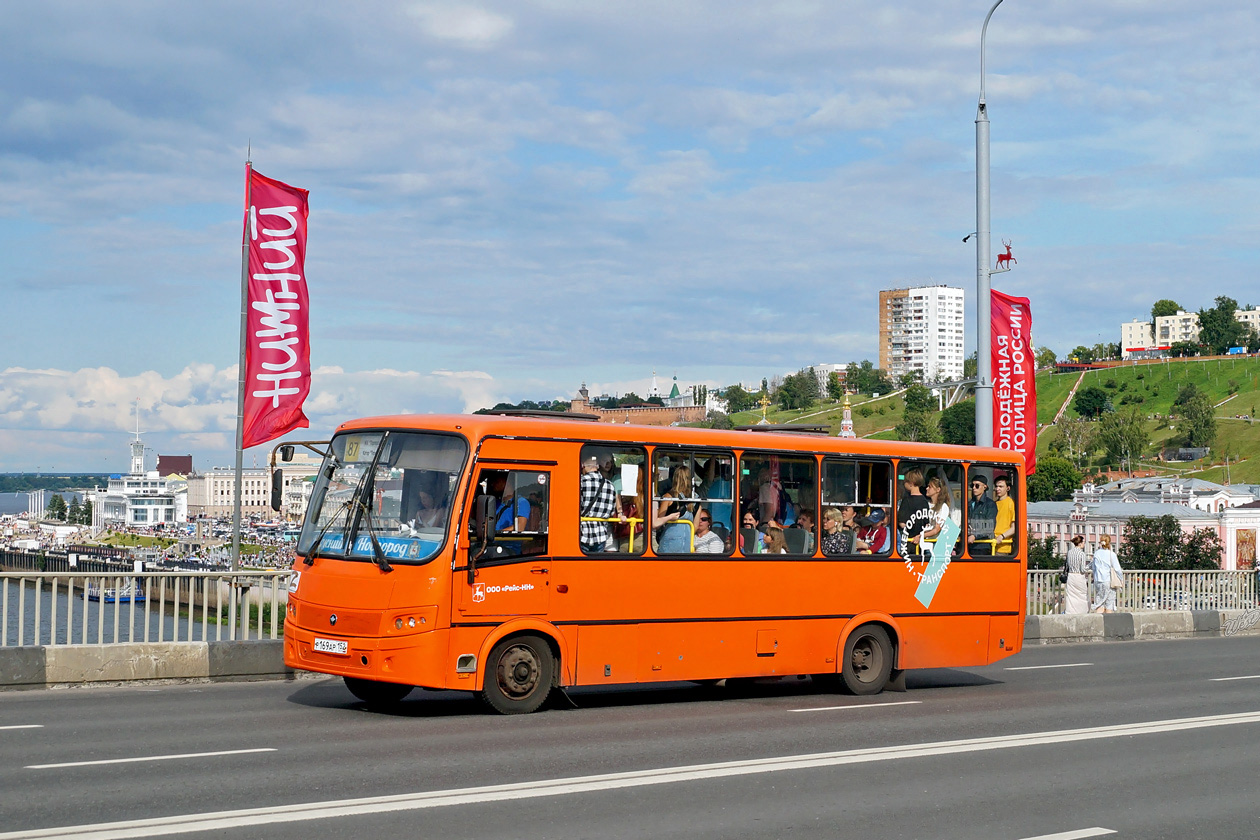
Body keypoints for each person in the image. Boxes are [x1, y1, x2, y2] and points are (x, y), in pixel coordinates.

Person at [579, 453, 622, 553]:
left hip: (582, 534)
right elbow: (611, 511)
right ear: (597, 466)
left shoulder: (580, 482)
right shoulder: (610, 485)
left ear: (583, 465)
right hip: (601, 536)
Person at [656, 465, 697, 553]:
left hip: (670, 540)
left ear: (675, 478)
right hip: (687, 541)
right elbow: (695, 526)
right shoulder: (696, 499)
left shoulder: (668, 497)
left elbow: (658, 522)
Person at [920, 476, 958, 555]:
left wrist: (921, 535)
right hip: (926, 541)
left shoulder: (943, 507)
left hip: (937, 544)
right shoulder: (926, 504)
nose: (926, 488)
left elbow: (937, 529)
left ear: (938, 490)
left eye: (930, 487)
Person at [897, 468, 931, 556]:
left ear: (911, 483)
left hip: (907, 542)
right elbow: (927, 524)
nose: (904, 484)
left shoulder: (906, 501)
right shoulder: (925, 501)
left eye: (905, 482)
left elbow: (902, 523)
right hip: (920, 543)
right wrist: (919, 535)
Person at [1091, 535, 1123, 613]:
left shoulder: (1096, 553)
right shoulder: (1111, 554)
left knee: (1100, 603)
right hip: (1108, 581)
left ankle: (1098, 622)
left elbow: (1093, 568)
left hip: (1098, 581)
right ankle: (1109, 623)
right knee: (1109, 604)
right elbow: (1117, 569)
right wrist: (1121, 579)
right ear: (1109, 543)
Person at [966, 475, 998, 555]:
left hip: (982, 547)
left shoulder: (990, 504)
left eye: (977, 485)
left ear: (985, 487)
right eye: (972, 485)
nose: (974, 488)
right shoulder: (969, 504)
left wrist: (975, 536)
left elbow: (990, 527)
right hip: (968, 546)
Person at [1064, 535, 1090, 614]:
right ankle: (1082, 612)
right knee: (1082, 596)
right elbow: (1083, 569)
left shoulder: (1069, 552)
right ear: (1080, 543)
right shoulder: (1082, 554)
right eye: (1083, 542)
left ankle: (1070, 612)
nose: (1084, 544)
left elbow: (1067, 566)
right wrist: (1089, 566)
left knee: (1071, 597)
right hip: (1079, 576)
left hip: (1071, 576)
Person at [993, 474, 1016, 554]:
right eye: (996, 486)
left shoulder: (1011, 503)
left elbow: (1014, 527)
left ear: (1008, 488)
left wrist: (1002, 536)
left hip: (1003, 547)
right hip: (991, 544)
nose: (997, 489)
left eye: (1001, 486)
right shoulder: (994, 504)